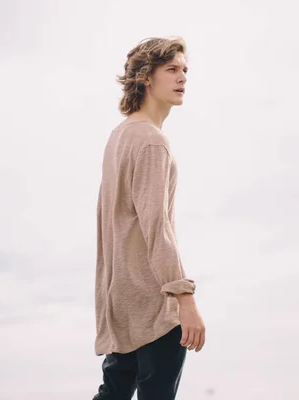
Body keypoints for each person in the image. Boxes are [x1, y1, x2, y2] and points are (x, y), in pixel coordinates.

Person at [92, 36, 206, 400]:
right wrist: (183, 298)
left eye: (185, 70)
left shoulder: (119, 136)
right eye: (171, 69)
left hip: (121, 304)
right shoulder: (151, 141)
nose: (182, 77)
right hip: (154, 305)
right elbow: (156, 227)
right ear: (145, 77)